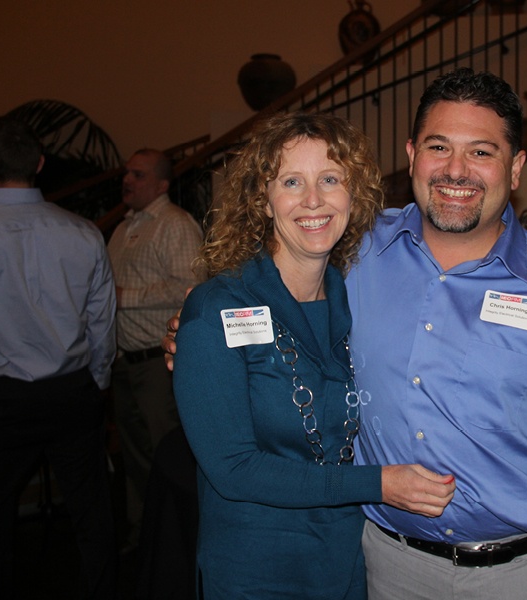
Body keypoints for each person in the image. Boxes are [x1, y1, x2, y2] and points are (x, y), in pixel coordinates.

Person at [167, 70, 527, 599]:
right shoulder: (357, 254)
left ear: (515, 168)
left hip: (526, 574)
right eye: (439, 147)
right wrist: (198, 335)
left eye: (481, 152)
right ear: (413, 155)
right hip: (386, 567)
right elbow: (270, 301)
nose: (456, 170)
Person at [171, 112, 456, 599]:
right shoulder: (218, 307)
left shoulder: (354, 297)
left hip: (346, 557)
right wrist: (380, 484)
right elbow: (233, 468)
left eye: (330, 179)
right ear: (264, 200)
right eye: (291, 182)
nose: (313, 200)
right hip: (257, 568)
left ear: (353, 194)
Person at [0, 117, 117, 599]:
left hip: (0, 397)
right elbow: (102, 324)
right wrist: (98, 383)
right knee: (92, 510)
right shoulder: (83, 232)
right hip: (71, 391)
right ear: (40, 164)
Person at [107, 148, 203, 551]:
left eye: (138, 174)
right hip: (124, 362)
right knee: (135, 458)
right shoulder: (123, 228)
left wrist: (124, 297)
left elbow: (189, 287)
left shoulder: (174, 224)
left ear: (162, 184)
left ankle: (177, 543)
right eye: (127, 173)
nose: (127, 180)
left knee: (169, 457)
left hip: (156, 363)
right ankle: (144, 535)